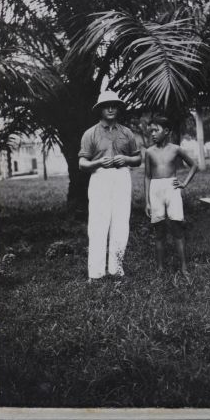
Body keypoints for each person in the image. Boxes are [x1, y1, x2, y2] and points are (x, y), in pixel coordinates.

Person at [78, 91, 141, 281]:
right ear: (100, 110)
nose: (111, 108)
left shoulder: (126, 132)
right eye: (107, 105)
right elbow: (82, 164)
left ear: (118, 108)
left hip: (122, 176)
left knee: (121, 222)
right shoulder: (91, 133)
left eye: (114, 105)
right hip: (100, 177)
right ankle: (96, 274)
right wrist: (97, 163)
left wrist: (127, 158)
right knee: (98, 224)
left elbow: (138, 158)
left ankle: (116, 269)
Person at [144, 116, 198, 276]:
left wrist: (184, 183)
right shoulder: (149, 152)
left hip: (172, 188)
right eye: (151, 131)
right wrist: (147, 201)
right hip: (155, 189)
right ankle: (160, 268)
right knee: (159, 230)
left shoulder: (175, 149)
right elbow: (147, 176)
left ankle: (183, 267)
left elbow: (194, 165)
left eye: (156, 130)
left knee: (177, 228)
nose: (153, 134)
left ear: (166, 131)